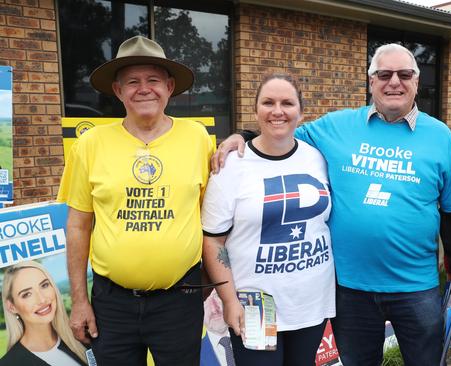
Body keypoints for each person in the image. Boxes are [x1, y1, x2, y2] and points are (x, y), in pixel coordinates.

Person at [214, 44, 451, 366]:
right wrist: (240, 135)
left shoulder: (441, 137)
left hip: (416, 288)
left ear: (417, 82)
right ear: (370, 82)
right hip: (349, 290)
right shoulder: (335, 127)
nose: (394, 82)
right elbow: (280, 132)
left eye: (404, 74)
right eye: (384, 74)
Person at [56, 35, 214, 365]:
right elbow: (78, 225)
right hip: (112, 303)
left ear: (169, 86)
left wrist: (239, 139)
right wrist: (80, 303)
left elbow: (212, 218)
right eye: (132, 81)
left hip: (179, 300)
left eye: (153, 80)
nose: (144, 89)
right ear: (118, 91)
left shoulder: (198, 138)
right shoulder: (91, 144)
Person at [202, 73, 335, 365]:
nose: (277, 111)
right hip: (255, 305)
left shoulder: (318, 158)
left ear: (301, 111)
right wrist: (228, 299)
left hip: (310, 302)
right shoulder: (231, 166)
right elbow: (213, 240)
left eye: (287, 103)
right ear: (256, 109)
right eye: (268, 102)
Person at [1, 261, 88, 366]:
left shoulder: (82, 337)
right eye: (27, 294)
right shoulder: (9, 364)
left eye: (44, 285)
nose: (42, 299)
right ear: (12, 307)